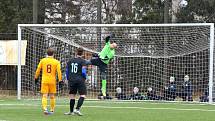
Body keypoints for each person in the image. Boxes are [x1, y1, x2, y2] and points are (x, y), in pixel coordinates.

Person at [34, 48, 63, 115]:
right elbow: (59, 72)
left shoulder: (43, 60)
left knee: (44, 95)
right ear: (53, 54)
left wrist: (36, 78)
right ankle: (52, 110)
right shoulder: (56, 62)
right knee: (52, 96)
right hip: (52, 81)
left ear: (47, 53)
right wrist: (60, 80)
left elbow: (38, 69)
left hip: (44, 80)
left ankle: (45, 109)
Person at [64, 47, 90, 116]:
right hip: (80, 79)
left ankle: (71, 111)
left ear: (76, 52)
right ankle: (77, 109)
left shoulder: (70, 60)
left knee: (72, 95)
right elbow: (83, 71)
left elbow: (67, 71)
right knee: (83, 95)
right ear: (83, 53)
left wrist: (67, 78)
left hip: (71, 80)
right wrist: (85, 78)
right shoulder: (83, 61)